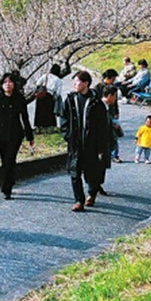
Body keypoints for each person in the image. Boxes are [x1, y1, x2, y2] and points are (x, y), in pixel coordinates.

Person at [60, 71, 111, 212]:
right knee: (74, 173)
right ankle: (78, 200)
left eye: (77, 82)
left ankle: (92, 193)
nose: (75, 85)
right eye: (74, 82)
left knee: (92, 173)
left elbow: (103, 126)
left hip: (91, 145)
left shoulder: (96, 103)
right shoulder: (70, 100)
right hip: (75, 144)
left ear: (86, 83)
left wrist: (101, 146)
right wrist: (67, 135)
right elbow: (63, 119)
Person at [0, 73, 35, 200]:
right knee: (5, 161)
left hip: (15, 134)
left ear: (14, 84)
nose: (8, 84)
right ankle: (10, 180)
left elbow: (25, 118)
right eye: (5, 82)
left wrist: (30, 136)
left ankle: (7, 188)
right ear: (1, 85)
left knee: (10, 159)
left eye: (10, 82)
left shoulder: (19, 98)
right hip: (0, 135)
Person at [93, 69, 121, 163]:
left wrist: (116, 112)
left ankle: (114, 154)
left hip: (111, 113)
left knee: (114, 134)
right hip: (102, 113)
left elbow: (115, 101)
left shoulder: (113, 87)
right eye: (112, 79)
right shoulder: (98, 88)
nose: (113, 81)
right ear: (107, 78)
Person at [33, 64, 63, 132]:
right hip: (49, 97)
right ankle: (48, 128)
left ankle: (39, 127)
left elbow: (38, 83)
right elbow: (58, 93)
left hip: (41, 95)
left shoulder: (45, 75)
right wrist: (54, 98)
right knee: (49, 113)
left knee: (39, 111)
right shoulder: (58, 80)